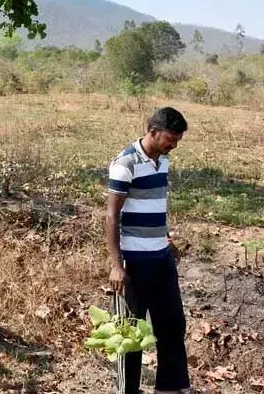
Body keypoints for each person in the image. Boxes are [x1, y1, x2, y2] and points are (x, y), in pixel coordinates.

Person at [106, 107, 191, 394]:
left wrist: (165, 239)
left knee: (173, 324)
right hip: (134, 263)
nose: (173, 146)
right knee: (130, 334)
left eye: (178, 141)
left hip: (161, 258)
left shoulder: (162, 161)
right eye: (170, 139)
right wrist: (117, 265)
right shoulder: (125, 163)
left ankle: (169, 388)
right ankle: (126, 390)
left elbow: (152, 204)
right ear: (152, 131)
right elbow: (111, 216)